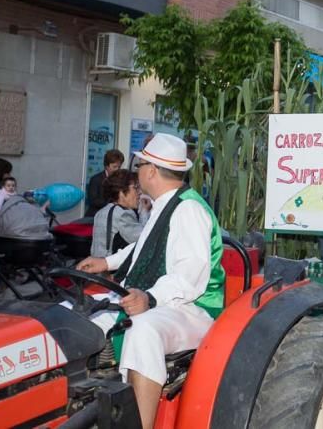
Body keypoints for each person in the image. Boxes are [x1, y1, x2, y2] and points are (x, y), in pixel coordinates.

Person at [75, 134, 223, 429]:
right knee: (77, 315)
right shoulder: (165, 204)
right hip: (166, 298)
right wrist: (107, 262)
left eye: (139, 164)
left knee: (142, 328)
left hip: (193, 307)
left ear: (152, 171)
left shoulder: (189, 209)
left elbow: (189, 276)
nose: (137, 170)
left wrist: (149, 298)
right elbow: (144, 245)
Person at [91, 169, 145, 258]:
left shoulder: (101, 212)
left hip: (98, 265)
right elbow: (145, 238)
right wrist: (144, 212)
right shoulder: (123, 215)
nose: (139, 192)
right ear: (121, 192)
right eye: (135, 188)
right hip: (113, 268)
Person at [86, 149, 126, 218]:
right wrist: (111, 204)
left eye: (119, 167)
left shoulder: (121, 179)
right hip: (95, 217)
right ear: (106, 166)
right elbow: (93, 200)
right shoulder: (96, 179)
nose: (117, 169)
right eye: (114, 167)